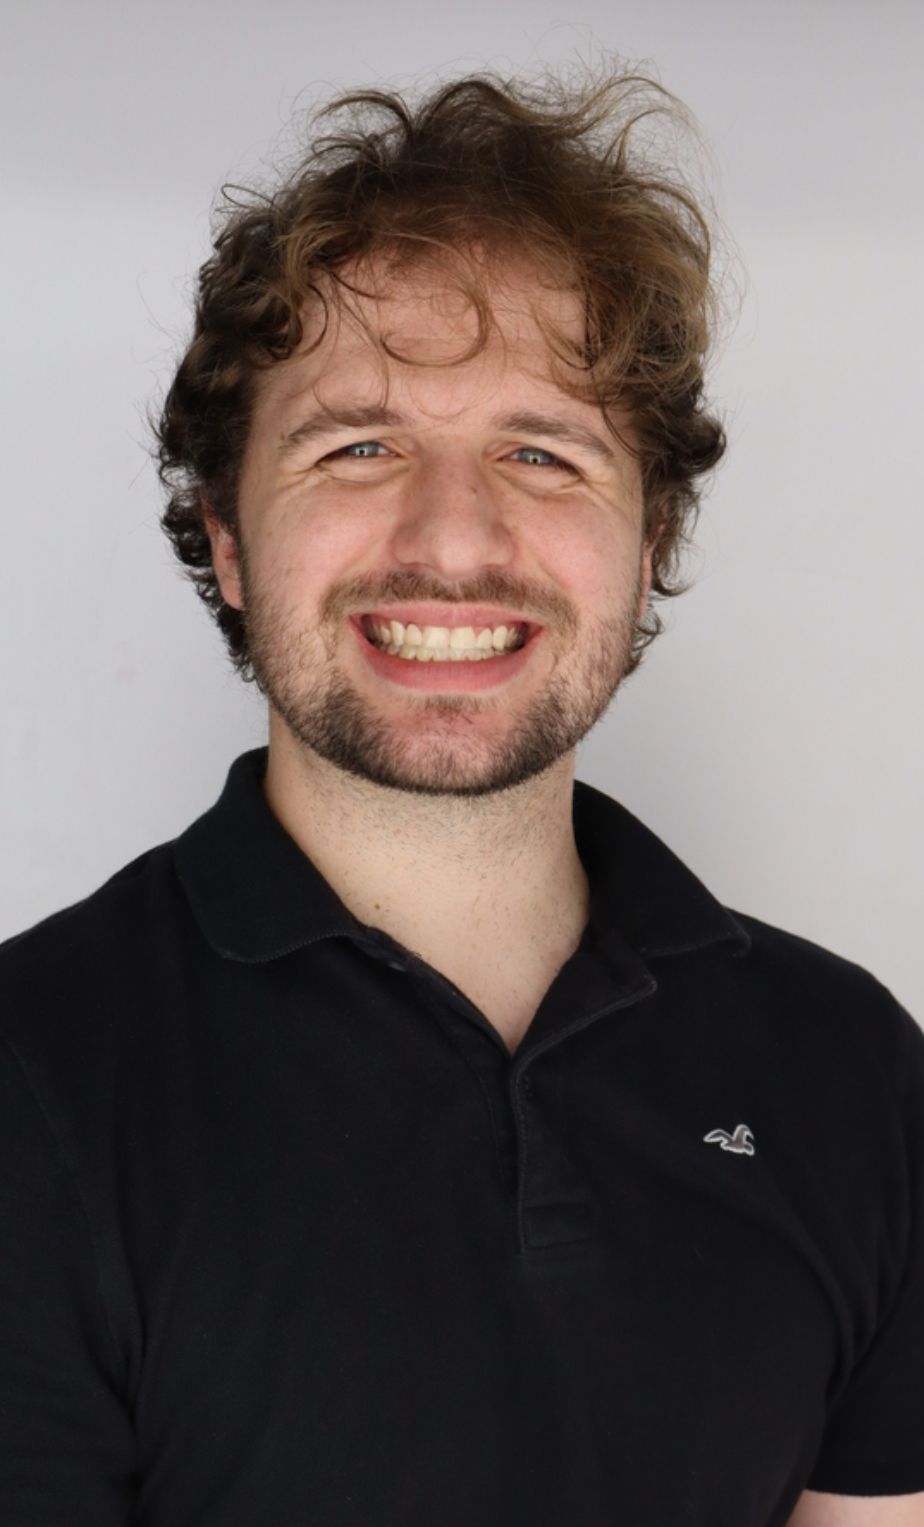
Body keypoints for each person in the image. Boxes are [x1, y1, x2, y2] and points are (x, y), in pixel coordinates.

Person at [1, 65, 922, 1527]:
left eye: (540, 452)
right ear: (229, 538)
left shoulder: (852, 1069)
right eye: (360, 445)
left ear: (646, 539)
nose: (454, 539)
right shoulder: (30, 1079)